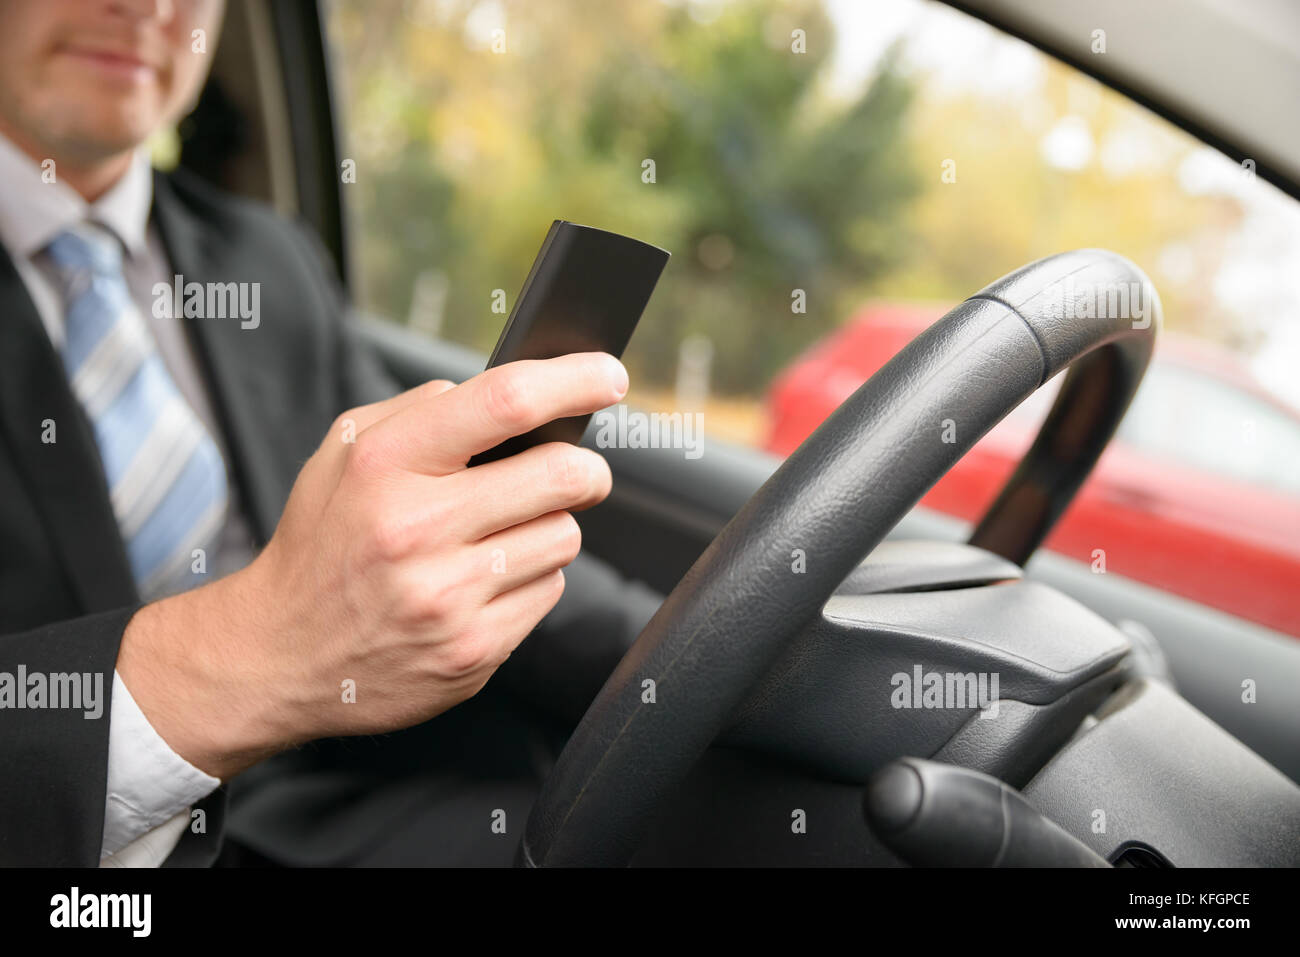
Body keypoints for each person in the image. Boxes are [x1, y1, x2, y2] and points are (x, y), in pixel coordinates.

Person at [0, 0, 659, 867]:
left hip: (336, 804)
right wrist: (259, 648)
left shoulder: (269, 259)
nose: (148, 7)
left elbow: (439, 526)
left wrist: (701, 646)